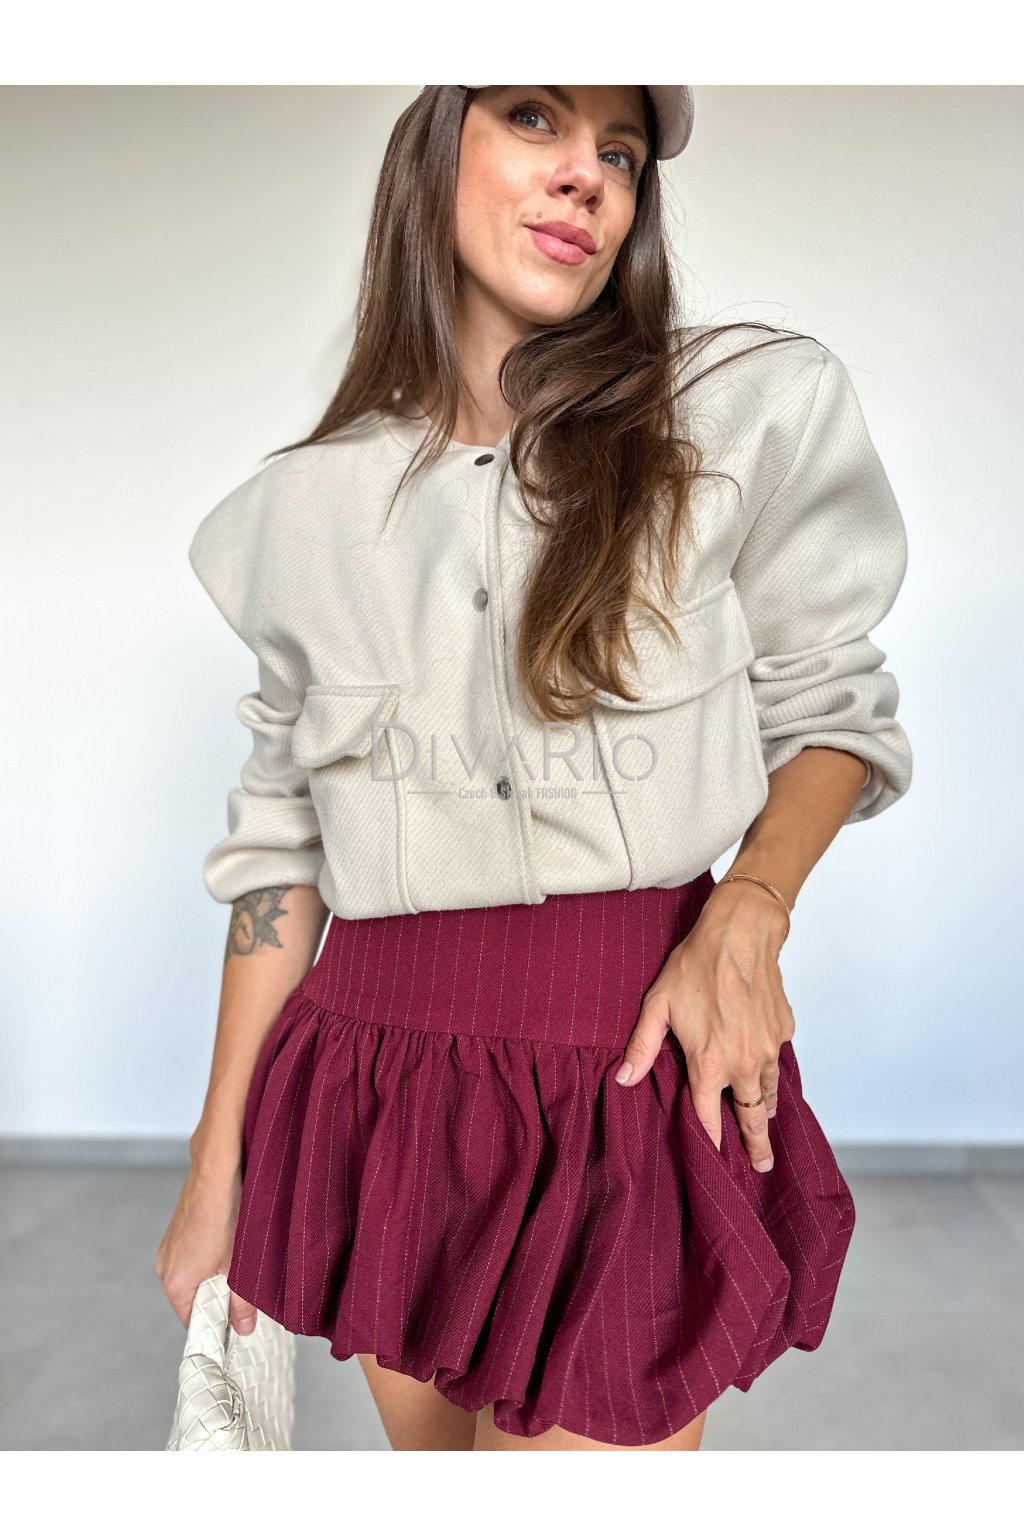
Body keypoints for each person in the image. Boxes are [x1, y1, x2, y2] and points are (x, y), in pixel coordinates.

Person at [155, 85, 912, 1452]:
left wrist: (751, 908)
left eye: (618, 152)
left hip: (621, 1068)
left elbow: (835, 710)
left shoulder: (738, 417)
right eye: (534, 119)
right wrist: (218, 1167)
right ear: (434, 147)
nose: (586, 176)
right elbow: (281, 847)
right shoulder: (302, 511)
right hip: (379, 1082)